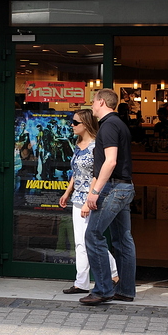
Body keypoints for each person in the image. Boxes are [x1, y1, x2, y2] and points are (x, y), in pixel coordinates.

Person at [79, 88, 137, 305]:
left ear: (102, 102)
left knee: (93, 234)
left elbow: (110, 160)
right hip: (124, 186)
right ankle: (125, 290)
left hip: (113, 188)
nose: (91, 105)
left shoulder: (109, 125)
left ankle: (103, 289)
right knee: (123, 240)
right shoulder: (119, 124)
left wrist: (94, 191)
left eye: (93, 101)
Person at [58, 109, 119, 295]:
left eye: (76, 123)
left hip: (91, 198)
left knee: (92, 239)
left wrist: (87, 200)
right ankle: (81, 282)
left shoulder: (95, 146)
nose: (72, 126)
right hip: (77, 197)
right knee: (80, 242)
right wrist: (67, 192)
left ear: (86, 124)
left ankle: (115, 272)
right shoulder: (78, 144)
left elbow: (97, 174)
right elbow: (76, 173)